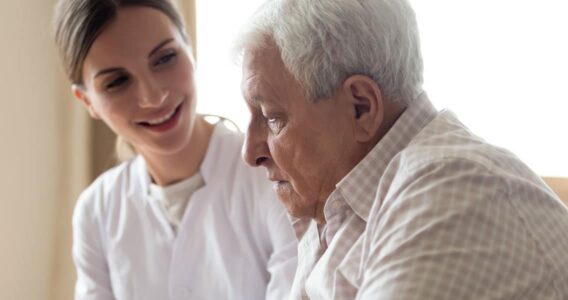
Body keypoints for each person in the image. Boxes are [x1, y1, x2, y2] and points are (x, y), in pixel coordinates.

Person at [235, 0, 568, 299]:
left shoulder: (451, 191)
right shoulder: (340, 206)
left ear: (361, 107)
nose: (250, 153)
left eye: (271, 118)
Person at [52, 0, 298, 299]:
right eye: (117, 81)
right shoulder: (96, 212)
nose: (153, 97)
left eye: (165, 58)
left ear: (189, 47)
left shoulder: (276, 176)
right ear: (87, 101)